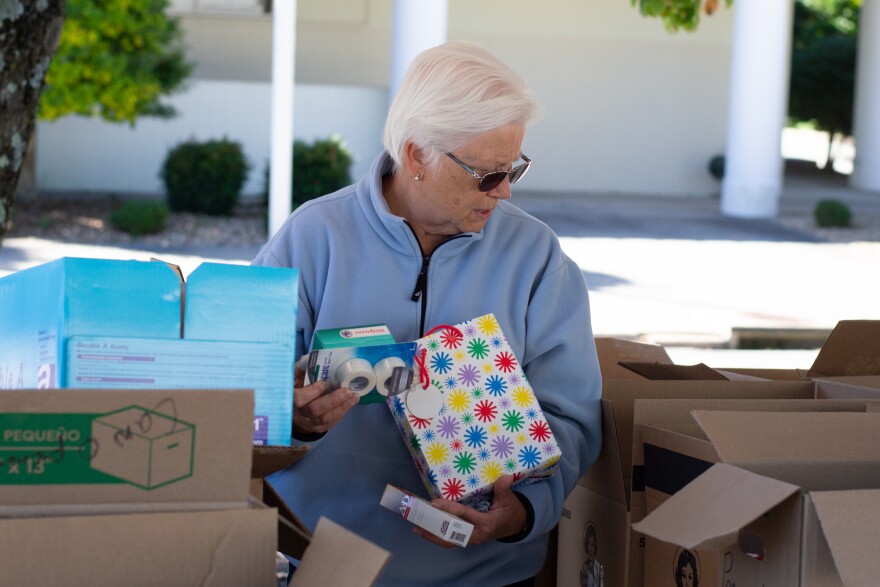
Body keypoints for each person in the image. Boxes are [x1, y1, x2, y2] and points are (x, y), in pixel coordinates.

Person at [252, 40, 602, 586]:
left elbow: (572, 416)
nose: (505, 191)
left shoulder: (537, 258)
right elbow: (236, 395)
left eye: (514, 169)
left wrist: (521, 513)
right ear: (417, 155)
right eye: (487, 174)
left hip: (487, 575)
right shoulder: (312, 238)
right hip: (323, 567)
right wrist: (295, 421)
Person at [579, 522, 605, 587]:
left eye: (592, 545)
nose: (590, 549)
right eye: (589, 544)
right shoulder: (584, 566)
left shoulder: (599, 567)